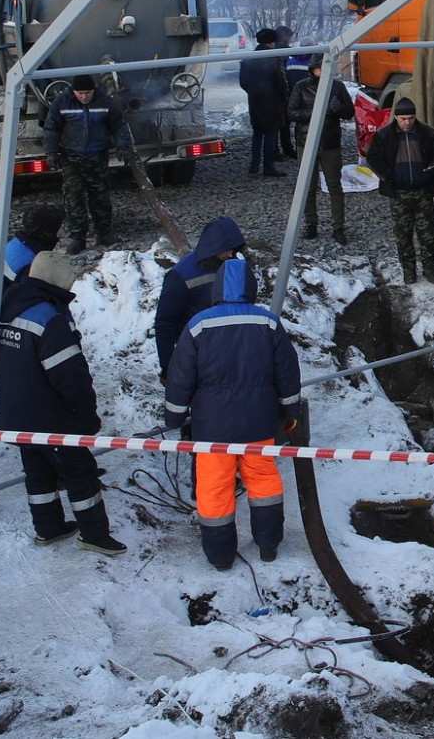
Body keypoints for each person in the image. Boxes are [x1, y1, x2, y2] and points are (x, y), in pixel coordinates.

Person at [165, 254, 302, 570]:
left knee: (214, 489)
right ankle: (269, 545)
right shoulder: (267, 322)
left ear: (216, 289)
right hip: (259, 422)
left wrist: (174, 416)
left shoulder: (199, 325)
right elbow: (287, 372)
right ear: (251, 287)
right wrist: (289, 409)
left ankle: (221, 556)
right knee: (264, 480)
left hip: (212, 429)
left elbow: (180, 375)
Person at [0, 250, 125, 556]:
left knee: (37, 470)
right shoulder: (49, 319)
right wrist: (85, 414)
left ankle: (48, 528)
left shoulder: (10, 306)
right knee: (79, 473)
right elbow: (71, 376)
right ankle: (94, 535)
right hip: (51, 416)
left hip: (17, 412)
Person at [154, 216, 257, 379]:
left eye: (235, 249)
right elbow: (165, 323)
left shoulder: (235, 266)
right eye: (227, 249)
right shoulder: (181, 275)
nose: (231, 253)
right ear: (214, 246)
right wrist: (168, 365)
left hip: (235, 349)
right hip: (198, 353)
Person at [43, 73, 132, 254]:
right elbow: (51, 128)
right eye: (80, 93)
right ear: (73, 92)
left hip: (97, 156)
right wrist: (51, 152)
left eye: (87, 93)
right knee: (73, 197)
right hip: (71, 158)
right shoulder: (62, 103)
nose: (84, 97)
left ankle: (104, 233)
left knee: (100, 196)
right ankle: (78, 237)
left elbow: (118, 125)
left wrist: (123, 146)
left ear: (93, 91)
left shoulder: (105, 102)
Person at [365, 97, 434, 285]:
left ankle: (430, 268)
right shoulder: (384, 136)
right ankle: (408, 270)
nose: (407, 122)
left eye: (410, 118)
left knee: (427, 233)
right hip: (399, 193)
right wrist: (387, 176)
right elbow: (373, 157)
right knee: (403, 235)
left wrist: (432, 172)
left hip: (423, 191)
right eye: (403, 119)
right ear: (396, 117)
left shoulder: (427, 134)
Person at [287, 55, 355, 244]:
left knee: (335, 186)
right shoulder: (301, 86)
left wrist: (338, 108)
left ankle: (338, 227)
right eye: (318, 68)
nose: (321, 71)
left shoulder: (337, 87)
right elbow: (291, 112)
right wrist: (319, 111)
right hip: (306, 141)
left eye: (324, 68)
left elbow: (350, 112)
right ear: (312, 69)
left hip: (330, 143)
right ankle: (311, 224)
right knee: (308, 186)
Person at [238, 28, 289, 178]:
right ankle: (268, 167)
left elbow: (243, 82)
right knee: (271, 135)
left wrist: (253, 92)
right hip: (272, 103)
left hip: (254, 101)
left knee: (257, 134)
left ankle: (254, 166)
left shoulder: (248, 59)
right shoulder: (274, 58)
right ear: (272, 42)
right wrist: (284, 97)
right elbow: (281, 82)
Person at [4, 204, 66, 290]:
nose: (61, 233)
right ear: (46, 233)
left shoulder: (14, 244)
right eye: (57, 228)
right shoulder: (36, 264)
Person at [273, 25, 298, 162]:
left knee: (281, 123)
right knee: (282, 123)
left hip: (279, 92)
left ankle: (280, 149)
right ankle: (284, 149)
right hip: (281, 92)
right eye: (289, 37)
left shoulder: (275, 48)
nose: (290, 39)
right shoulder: (281, 49)